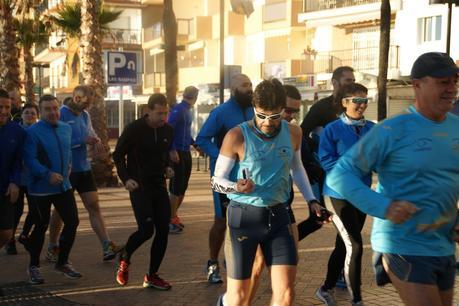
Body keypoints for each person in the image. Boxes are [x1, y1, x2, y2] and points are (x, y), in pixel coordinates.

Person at [327, 52, 459, 306]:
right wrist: (384, 207)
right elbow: (340, 174)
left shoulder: (455, 127)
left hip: (442, 246)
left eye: (454, 81)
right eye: (443, 82)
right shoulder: (392, 129)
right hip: (403, 244)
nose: (451, 89)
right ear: (417, 84)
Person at [211, 79, 323, 306]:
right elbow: (216, 181)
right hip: (244, 218)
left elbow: (297, 167)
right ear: (254, 108)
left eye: (274, 116)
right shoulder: (236, 136)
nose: (267, 123)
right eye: (261, 115)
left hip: (279, 217)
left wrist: (312, 200)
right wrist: (235, 187)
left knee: (286, 295)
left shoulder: (293, 132)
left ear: (283, 110)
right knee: (238, 297)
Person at [315, 83, 375, 306]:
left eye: (365, 101)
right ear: (345, 102)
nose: (361, 105)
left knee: (344, 245)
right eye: (357, 101)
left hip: (361, 195)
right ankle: (356, 299)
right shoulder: (332, 129)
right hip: (337, 195)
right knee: (356, 246)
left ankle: (326, 288)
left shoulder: (372, 128)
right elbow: (325, 159)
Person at [46, 85, 120, 263]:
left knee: (94, 206)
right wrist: (81, 141)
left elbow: (90, 133)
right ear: (76, 98)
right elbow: (58, 141)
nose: (88, 106)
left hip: (84, 169)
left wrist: (96, 140)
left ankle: (106, 245)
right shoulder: (61, 113)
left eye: (91, 102)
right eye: (85, 101)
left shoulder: (85, 115)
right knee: (60, 212)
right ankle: (53, 246)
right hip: (66, 171)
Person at [195, 74, 254, 284]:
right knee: (221, 221)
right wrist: (221, 154)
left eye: (250, 85)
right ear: (233, 88)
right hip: (224, 176)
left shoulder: (253, 111)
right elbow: (201, 138)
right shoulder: (220, 112)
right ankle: (212, 262)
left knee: (244, 219)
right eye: (244, 85)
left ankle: (235, 260)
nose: (249, 88)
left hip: (247, 176)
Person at [113, 93, 173, 290]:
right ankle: (126, 256)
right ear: (148, 111)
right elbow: (118, 155)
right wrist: (126, 179)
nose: (163, 117)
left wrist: (167, 166)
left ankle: (152, 275)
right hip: (139, 187)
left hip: (159, 186)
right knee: (147, 230)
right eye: (159, 113)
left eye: (165, 113)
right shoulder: (135, 129)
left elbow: (164, 154)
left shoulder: (167, 130)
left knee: (163, 230)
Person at [23, 94, 81, 284]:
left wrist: (69, 165)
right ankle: (34, 266)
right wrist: (47, 174)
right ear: (41, 112)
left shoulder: (66, 128)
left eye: (55, 108)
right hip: (41, 188)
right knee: (41, 226)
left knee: (72, 222)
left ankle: (62, 262)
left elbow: (68, 151)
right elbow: (29, 159)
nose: (53, 112)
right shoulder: (33, 132)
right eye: (47, 109)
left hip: (63, 186)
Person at [5, 103, 39, 255]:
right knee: (16, 212)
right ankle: (10, 241)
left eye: (33, 113)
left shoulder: (39, 132)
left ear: (37, 116)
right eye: (27, 112)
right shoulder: (16, 131)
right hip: (17, 179)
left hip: (33, 179)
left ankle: (24, 234)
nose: (30, 115)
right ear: (22, 114)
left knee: (35, 210)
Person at [167, 86, 199, 233]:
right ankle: (169, 219)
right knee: (176, 187)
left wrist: (195, 144)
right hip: (177, 152)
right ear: (195, 97)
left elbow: (185, 132)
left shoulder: (187, 110)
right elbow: (168, 130)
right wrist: (172, 149)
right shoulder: (179, 109)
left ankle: (172, 216)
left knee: (182, 186)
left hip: (186, 151)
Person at [0, 88, 26, 250]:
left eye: (7, 107)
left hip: (5, 189)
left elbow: (19, 160)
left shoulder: (17, 132)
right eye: (0, 107)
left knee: (6, 234)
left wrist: (15, 181)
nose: (3, 111)